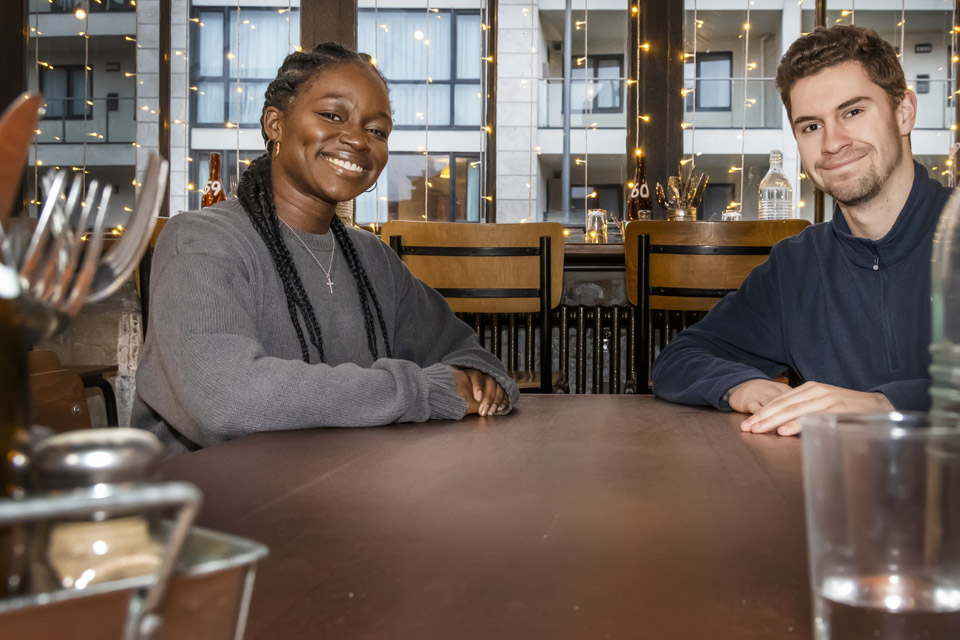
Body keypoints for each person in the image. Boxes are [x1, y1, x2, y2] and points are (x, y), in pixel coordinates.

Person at [133, 43, 518, 455]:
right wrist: (424, 391)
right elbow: (226, 402)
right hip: (205, 504)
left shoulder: (372, 257)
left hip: (336, 487)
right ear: (275, 124)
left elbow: (473, 358)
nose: (357, 139)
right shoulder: (200, 240)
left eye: (377, 131)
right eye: (332, 115)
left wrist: (476, 379)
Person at [651, 25, 950, 436]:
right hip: (832, 491)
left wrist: (885, 404)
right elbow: (680, 357)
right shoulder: (796, 265)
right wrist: (741, 384)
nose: (832, 143)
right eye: (811, 126)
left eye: (853, 112)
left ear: (904, 112)